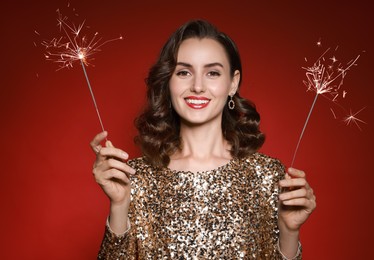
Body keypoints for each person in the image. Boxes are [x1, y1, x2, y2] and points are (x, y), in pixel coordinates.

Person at [90, 19, 316, 259]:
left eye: (213, 73)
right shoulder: (134, 178)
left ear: (233, 83)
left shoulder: (267, 175)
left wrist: (290, 232)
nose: (198, 86)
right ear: (168, 82)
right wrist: (119, 206)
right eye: (184, 72)